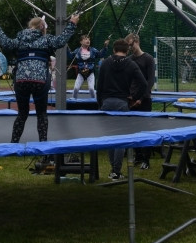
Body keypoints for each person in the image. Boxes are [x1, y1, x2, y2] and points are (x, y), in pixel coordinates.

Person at [0, 14, 79, 143]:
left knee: (22, 113)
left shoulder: (20, 39)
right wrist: (72, 23)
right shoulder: (46, 40)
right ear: (42, 27)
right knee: (41, 114)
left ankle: (13, 143)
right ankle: (43, 143)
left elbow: (5, 43)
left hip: (21, 81)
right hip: (39, 81)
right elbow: (61, 40)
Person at [96, 39, 150, 180]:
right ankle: (116, 170)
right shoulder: (131, 64)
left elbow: (99, 86)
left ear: (114, 49)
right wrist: (135, 97)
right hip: (122, 102)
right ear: (127, 51)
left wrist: (100, 104)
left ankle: (113, 169)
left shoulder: (105, 63)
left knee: (110, 136)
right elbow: (144, 84)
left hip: (107, 102)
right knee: (121, 137)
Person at [126, 33, 157, 168]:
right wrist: (130, 97)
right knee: (133, 128)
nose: (130, 48)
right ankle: (137, 155)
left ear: (137, 42)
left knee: (146, 129)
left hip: (144, 99)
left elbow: (150, 81)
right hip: (131, 98)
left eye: (131, 45)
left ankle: (146, 159)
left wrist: (141, 98)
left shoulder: (148, 58)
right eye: (128, 46)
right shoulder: (129, 60)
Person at [67, 35, 108, 100]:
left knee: (91, 89)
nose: (88, 40)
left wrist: (105, 46)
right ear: (81, 42)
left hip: (90, 72)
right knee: (76, 89)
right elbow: (70, 56)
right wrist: (67, 48)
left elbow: (101, 54)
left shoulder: (93, 50)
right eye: (86, 39)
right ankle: (73, 101)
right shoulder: (77, 51)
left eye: (89, 39)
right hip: (81, 72)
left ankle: (94, 102)